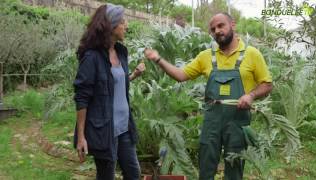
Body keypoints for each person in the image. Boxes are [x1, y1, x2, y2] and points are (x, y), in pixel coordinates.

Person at [144, 12, 272, 180]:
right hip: (212, 119)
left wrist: (251, 95)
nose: (217, 31)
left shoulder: (252, 54)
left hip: (238, 120)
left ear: (232, 25)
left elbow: (267, 84)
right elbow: (181, 75)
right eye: (213, 29)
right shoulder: (206, 56)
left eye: (221, 25)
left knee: (235, 166)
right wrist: (158, 59)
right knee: (206, 165)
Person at [73, 3, 144, 180]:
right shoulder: (92, 57)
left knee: (134, 174)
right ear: (111, 26)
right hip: (104, 130)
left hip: (124, 126)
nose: (126, 25)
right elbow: (82, 97)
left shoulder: (120, 52)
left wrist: (134, 75)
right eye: (123, 21)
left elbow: (113, 84)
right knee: (106, 176)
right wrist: (81, 137)